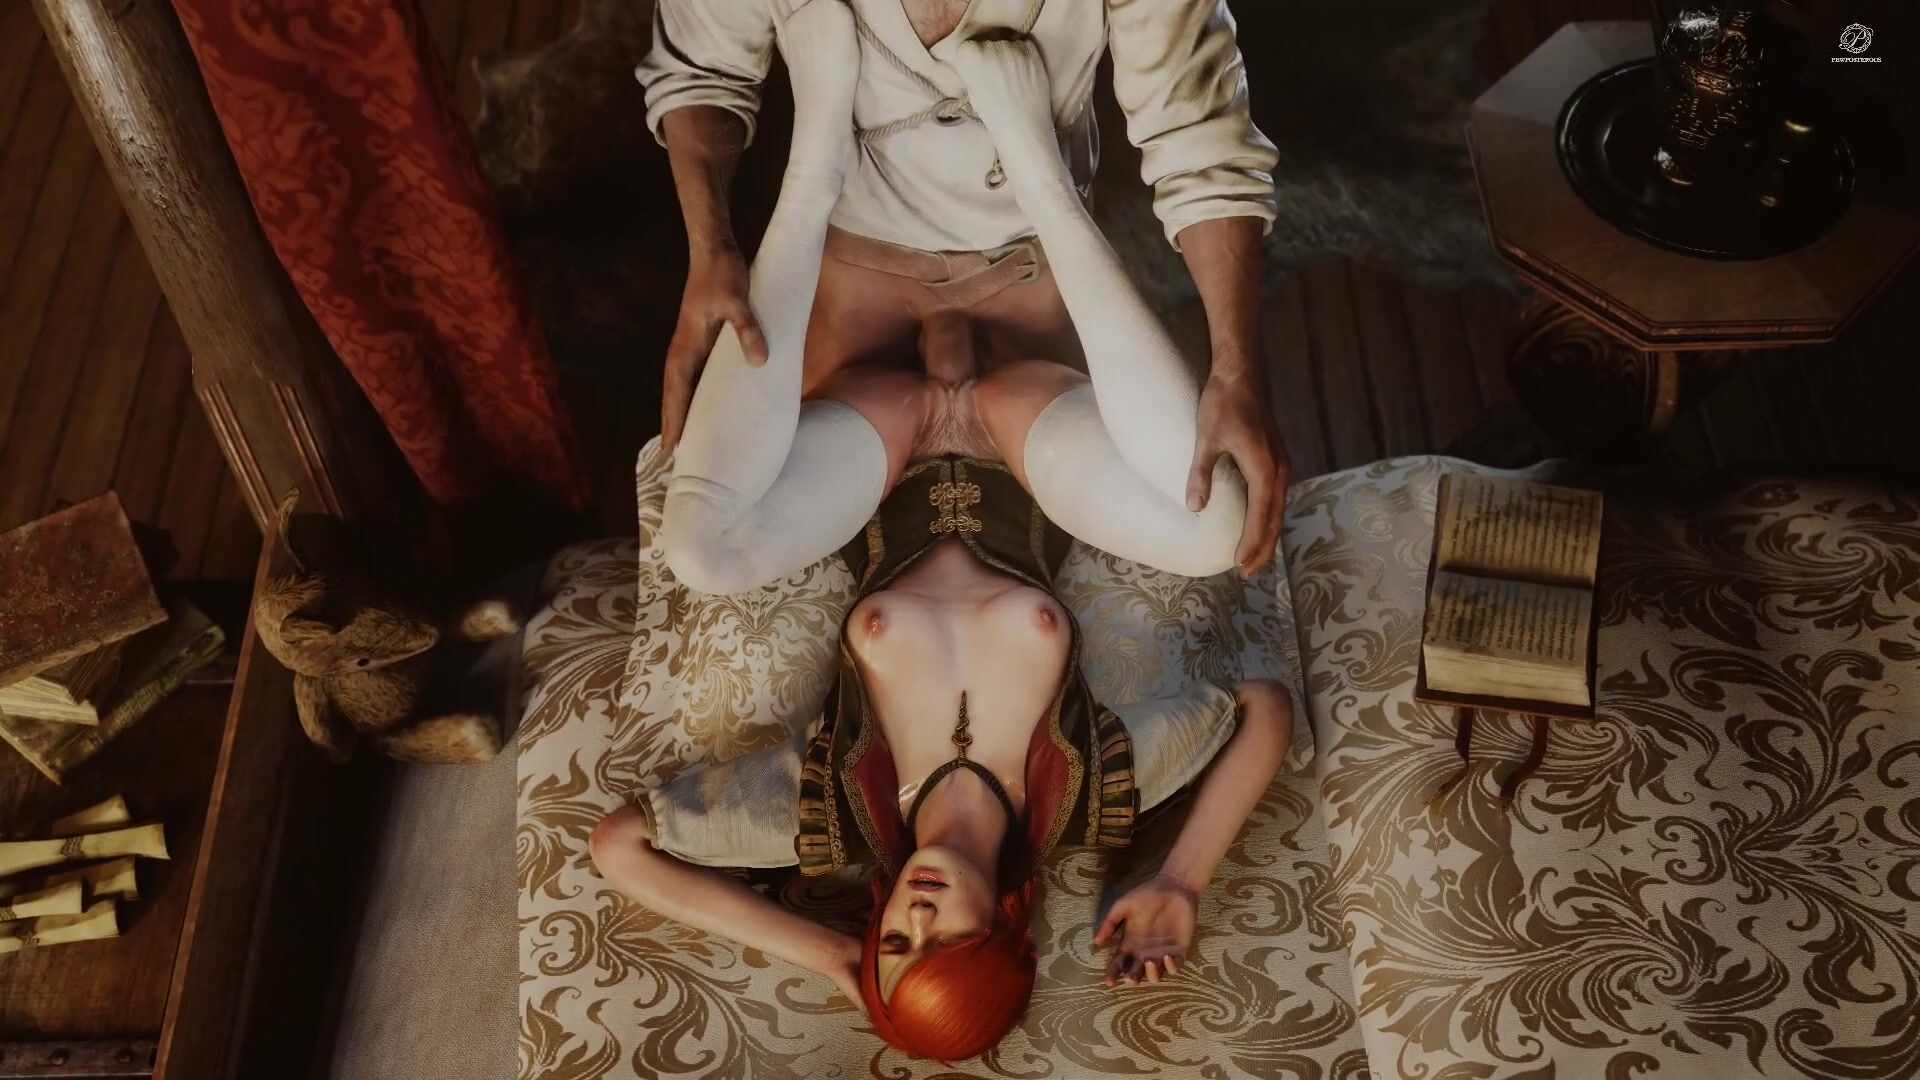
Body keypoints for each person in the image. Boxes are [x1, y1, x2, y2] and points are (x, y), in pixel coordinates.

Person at [590, 4, 1292, 1062]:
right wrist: (1181, 879)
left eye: (896, 941)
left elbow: (623, 848)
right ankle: (1038, 167)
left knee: (703, 553)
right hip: (1017, 425)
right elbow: (1260, 711)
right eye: (945, 940)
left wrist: (833, 957)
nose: (917, 916)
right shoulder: (1089, 791)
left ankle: (814, 159)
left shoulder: (828, 813)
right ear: (1007, 926)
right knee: (1214, 528)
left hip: (880, 437)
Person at [638, 0, 1291, 576]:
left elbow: (1200, 137)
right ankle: (842, 169)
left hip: (1014, 289)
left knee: (1219, 527)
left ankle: (859, 171)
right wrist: (710, 250)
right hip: (878, 294)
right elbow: (702, 70)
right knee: (1218, 525)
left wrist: (1236, 367)